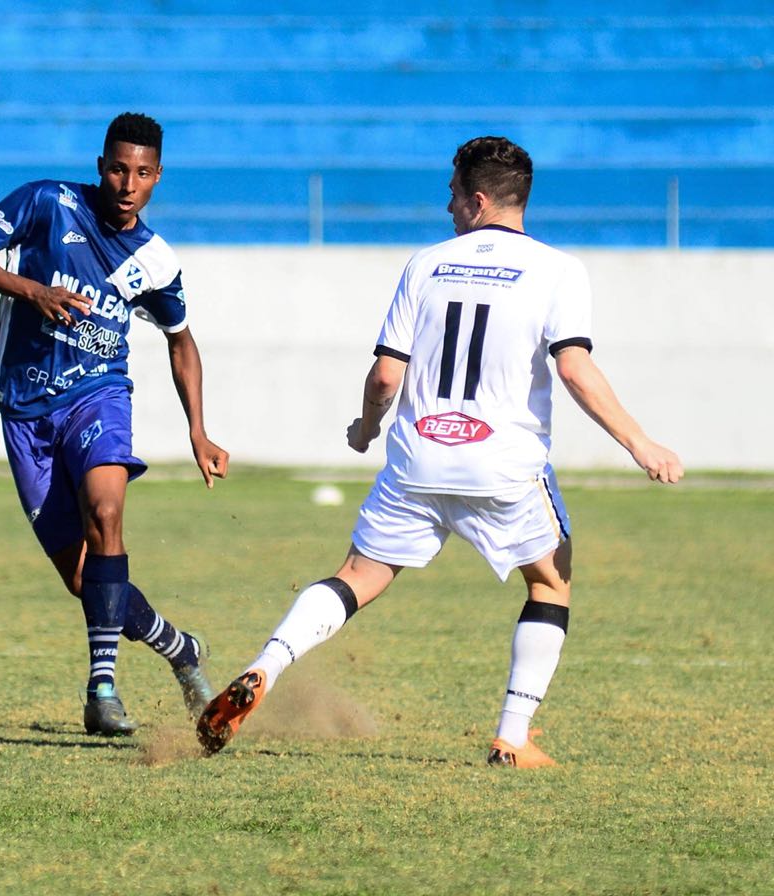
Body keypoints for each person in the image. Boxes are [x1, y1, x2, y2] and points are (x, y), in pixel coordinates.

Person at [197, 136, 683, 766]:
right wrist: (640, 443)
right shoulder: (560, 269)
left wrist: (367, 428)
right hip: (502, 465)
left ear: (478, 201)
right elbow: (574, 368)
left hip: (417, 458)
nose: (448, 206)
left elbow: (385, 377)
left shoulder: (426, 263)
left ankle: (266, 665)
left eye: (453, 194)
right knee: (550, 580)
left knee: (356, 576)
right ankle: (512, 737)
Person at [0, 112, 230, 736]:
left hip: (99, 396)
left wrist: (198, 430)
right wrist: (32, 291)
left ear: (158, 176)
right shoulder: (46, 202)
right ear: (101, 166)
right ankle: (181, 649)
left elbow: (181, 341)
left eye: (143, 174)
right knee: (84, 578)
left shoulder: (155, 260)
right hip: (24, 411)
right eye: (119, 170)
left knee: (106, 511)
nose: (128, 184)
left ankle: (102, 688)